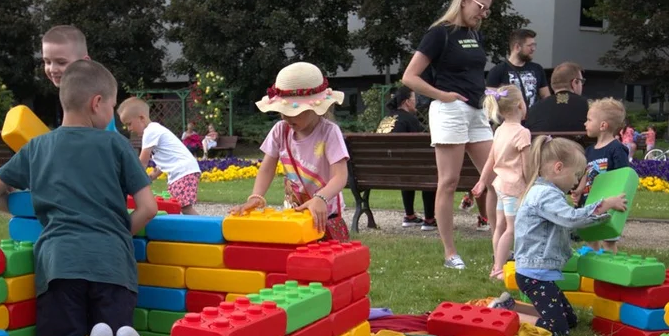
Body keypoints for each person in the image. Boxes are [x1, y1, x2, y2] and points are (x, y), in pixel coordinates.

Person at [0, 60, 159, 336]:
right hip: (111, 262)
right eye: (112, 106)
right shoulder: (116, 144)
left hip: (58, 263)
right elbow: (148, 208)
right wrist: (116, 232)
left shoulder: (37, 147)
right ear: (97, 103)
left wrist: (26, 208)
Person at [401, 0, 497, 269]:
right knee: (449, 182)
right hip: (450, 110)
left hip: (477, 111)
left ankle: (501, 245)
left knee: (496, 177)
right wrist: (443, 96)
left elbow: (474, 74)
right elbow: (410, 77)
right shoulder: (439, 33)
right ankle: (449, 253)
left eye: (488, 10)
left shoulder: (474, 35)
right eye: (481, 6)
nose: (483, 14)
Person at [495, 136, 627, 336]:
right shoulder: (545, 195)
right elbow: (571, 219)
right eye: (575, 175)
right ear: (558, 168)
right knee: (557, 329)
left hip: (539, 273)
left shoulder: (545, 192)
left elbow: (567, 227)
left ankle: (510, 306)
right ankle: (505, 313)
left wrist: (597, 223)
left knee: (570, 321)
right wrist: (604, 205)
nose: (576, 182)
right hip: (535, 275)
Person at [231, 62, 350, 237]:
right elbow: (266, 169)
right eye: (282, 110)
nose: (285, 116)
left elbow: (340, 176)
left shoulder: (329, 132)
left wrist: (321, 198)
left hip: (324, 212)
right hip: (295, 212)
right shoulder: (280, 130)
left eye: (293, 111)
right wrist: (256, 196)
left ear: (315, 109)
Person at [472, 84, 529, 279]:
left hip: (499, 186)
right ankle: (499, 267)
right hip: (514, 188)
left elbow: (491, 159)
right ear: (521, 105)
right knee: (511, 228)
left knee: (499, 226)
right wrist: (533, 183)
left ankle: (496, 264)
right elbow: (527, 164)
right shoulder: (522, 133)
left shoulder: (499, 130)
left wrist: (482, 181)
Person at [118, 97, 202, 215]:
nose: (129, 129)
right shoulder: (154, 130)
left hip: (183, 171)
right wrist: (150, 177)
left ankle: (201, 229)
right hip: (182, 171)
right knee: (176, 207)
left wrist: (131, 181)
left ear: (141, 118)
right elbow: (162, 163)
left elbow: (142, 162)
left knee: (184, 208)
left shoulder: (150, 132)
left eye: (129, 124)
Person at [377, 85, 436, 229]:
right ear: (407, 102)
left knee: (407, 169)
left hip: (379, 171)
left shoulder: (386, 118)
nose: (416, 102)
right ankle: (429, 220)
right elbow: (423, 146)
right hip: (403, 170)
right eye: (414, 99)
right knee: (427, 171)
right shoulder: (409, 119)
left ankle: (409, 216)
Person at [41, 25, 120, 132]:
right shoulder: (67, 95)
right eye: (47, 62)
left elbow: (108, 141)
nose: (52, 69)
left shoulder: (96, 98)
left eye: (61, 62)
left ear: (85, 61)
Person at [582, 98, 631, 253]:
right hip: (591, 203)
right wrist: (578, 191)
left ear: (603, 125)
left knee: (608, 241)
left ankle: (609, 273)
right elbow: (586, 174)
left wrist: (618, 199)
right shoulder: (589, 150)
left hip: (610, 204)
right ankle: (592, 272)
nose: (585, 123)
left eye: (589, 120)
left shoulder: (616, 149)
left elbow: (622, 177)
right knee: (590, 238)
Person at [485, 28, 551, 111]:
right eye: (530, 45)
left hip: (533, 121)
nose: (533, 49)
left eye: (534, 45)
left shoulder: (537, 69)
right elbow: (491, 102)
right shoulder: (497, 71)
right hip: (509, 120)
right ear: (517, 47)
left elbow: (546, 96)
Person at [524, 62, 588, 133]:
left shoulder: (534, 109)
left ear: (552, 85)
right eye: (581, 82)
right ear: (575, 82)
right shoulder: (588, 106)